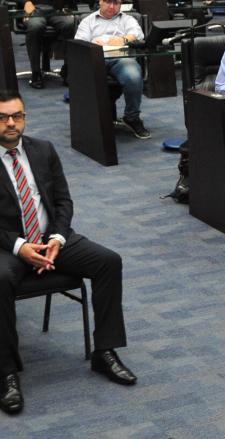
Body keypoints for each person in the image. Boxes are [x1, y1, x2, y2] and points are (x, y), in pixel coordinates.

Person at [0, 89, 136, 416]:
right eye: (2, 118)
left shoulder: (43, 149)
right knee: (0, 279)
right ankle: (6, 372)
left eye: (17, 116)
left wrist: (58, 238)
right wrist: (20, 247)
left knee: (108, 261)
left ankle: (104, 352)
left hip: (52, 239)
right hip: (8, 246)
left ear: (24, 118)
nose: (11, 123)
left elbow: (63, 201)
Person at [73, 0, 148, 138]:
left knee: (133, 76)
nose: (112, 7)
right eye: (108, 2)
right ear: (100, 0)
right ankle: (91, 118)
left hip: (121, 59)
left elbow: (138, 35)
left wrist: (122, 40)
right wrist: (95, 46)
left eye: (117, 3)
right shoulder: (88, 21)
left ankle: (132, 117)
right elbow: (79, 45)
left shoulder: (127, 19)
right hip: (95, 59)